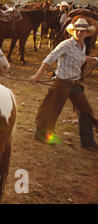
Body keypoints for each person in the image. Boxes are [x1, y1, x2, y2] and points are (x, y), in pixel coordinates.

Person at [29, 18, 98, 151]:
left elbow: (81, 58)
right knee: (51, 110)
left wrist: (95, 59)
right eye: (77, 31)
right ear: (73, 31)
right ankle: (42, 134)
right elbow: (49, 59)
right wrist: (37, 76)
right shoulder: (65, 45)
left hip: (75, 83)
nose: (79, 33)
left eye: (82, 31)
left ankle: (87, 141)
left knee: (85, 110)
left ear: (86, 33)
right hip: (61, 83)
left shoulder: (82, 46)